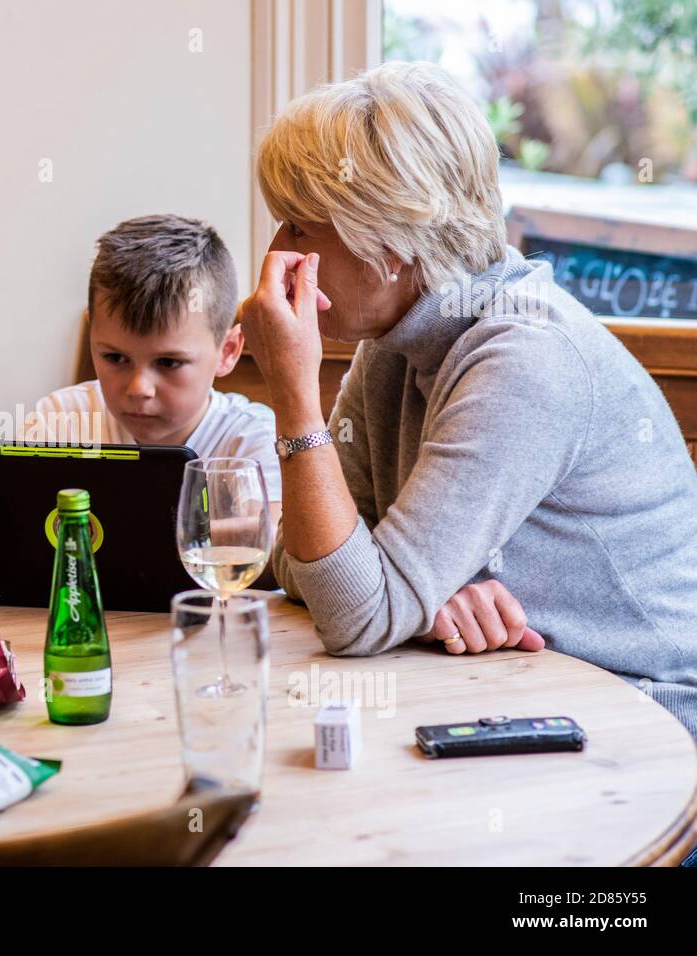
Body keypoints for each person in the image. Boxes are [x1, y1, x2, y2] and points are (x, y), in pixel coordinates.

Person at [240, 61, 697, 735]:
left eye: (299, 228)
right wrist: (419, 599)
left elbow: (357, 614)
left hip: (646, 721)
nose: (278, 253)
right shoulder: (396, 342)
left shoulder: (528, 359)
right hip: (514, 688)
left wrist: (292, 394)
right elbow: (299, 563)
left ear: (389, 241)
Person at [0, 214, 284, 587]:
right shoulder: (60, 419)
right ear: (93, 338)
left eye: (168, 362)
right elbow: (19, 554)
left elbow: (275, 550)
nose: (139, 388)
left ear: (228, 351)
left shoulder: (251, 437)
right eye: (115, 358)